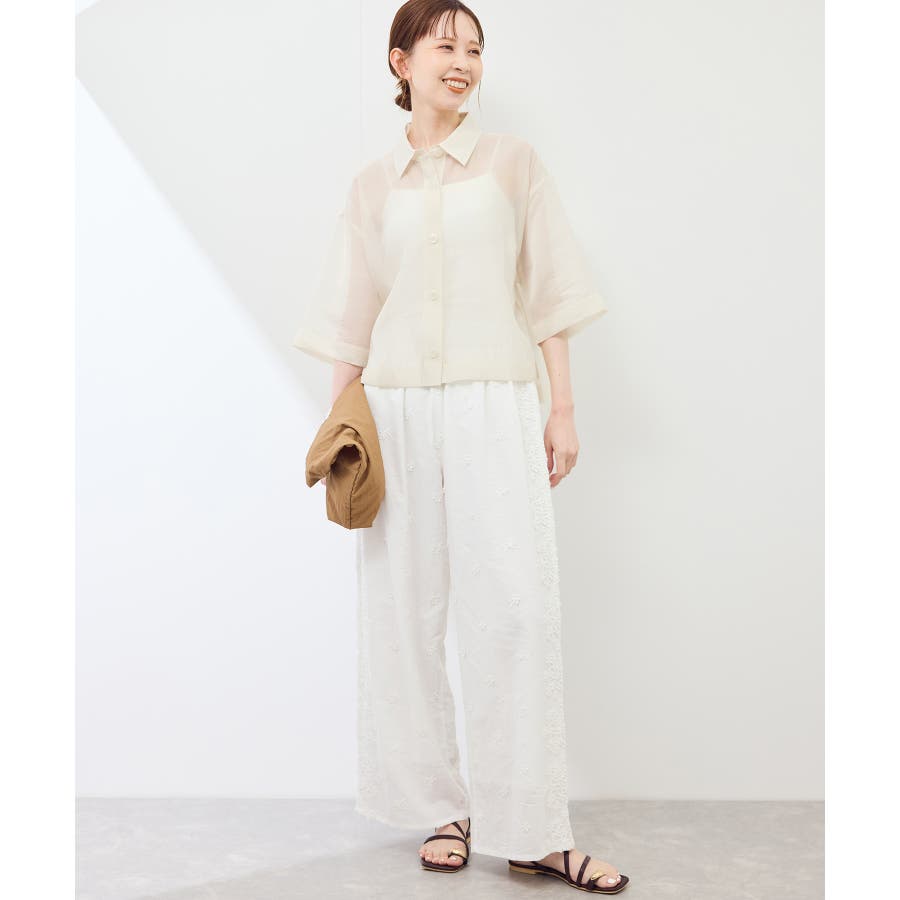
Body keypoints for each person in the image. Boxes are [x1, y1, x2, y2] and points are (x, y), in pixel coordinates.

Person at [292, 0, 628, 893]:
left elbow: (551, 291)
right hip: (396, 409)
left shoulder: (513, 164)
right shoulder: (372, 186)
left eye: (474, 48)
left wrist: (562, 408)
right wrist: (339, 432)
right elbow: (351, 315)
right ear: (400, 61)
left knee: (516, 609)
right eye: (445, 45)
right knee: (404, 612)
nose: (463, 61)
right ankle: (442, 808)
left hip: (494, 403)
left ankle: (533, 829)